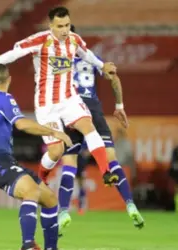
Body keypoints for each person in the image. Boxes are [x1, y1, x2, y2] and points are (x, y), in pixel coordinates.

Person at [0, 6, 119, 187]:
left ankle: (106, 172)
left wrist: (102, 66)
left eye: (67, 25)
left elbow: (86, 54)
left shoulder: (74, 40)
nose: (65, 30)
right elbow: (13, 54)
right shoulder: (39, 41)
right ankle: (42, 176)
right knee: (56, 151)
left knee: (88, 127)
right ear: (50, 25)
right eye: (60, 26)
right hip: (46, 104)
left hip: (69, 98)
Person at [0, 64, 73, 250]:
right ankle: (27, 245)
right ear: (9, 79)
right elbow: (22, 124)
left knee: (50, 200)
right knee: (31, 191)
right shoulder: (5, 99)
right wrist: (55, 132)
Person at [54, 25, 144, 235]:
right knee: (111, 159)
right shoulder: (90, 56)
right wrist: (120, 106)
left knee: (69, 163)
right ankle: (130, 204)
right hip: (94, 109)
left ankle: (64, 212)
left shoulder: (58, 58)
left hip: (72, 109)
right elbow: (113, 76)